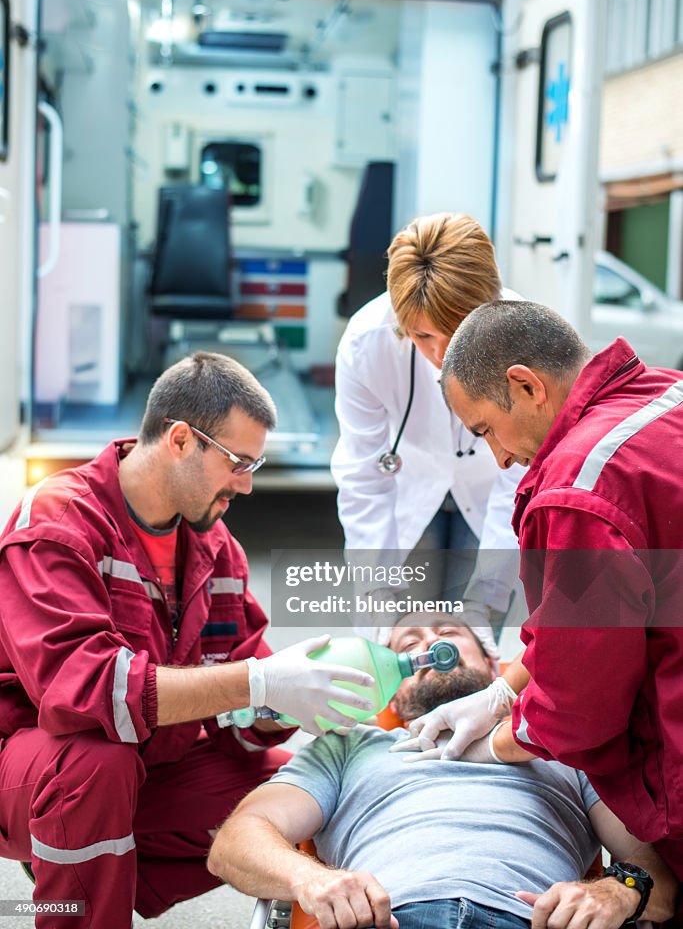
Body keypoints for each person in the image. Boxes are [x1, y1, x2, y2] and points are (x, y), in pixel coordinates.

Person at [0, 352, 374, 929]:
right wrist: (257, 680)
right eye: (238, 462)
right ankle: (75, 904)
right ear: (179, 440)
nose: (247, 485)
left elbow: (239, 723)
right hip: (38, 764)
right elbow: (86, 693)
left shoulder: (216, 549)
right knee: (97, 765)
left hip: (149, 765)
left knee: (303, 791)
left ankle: (105, 869)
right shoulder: (57, 522)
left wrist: (282, 701)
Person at [402, 300, 683, 884]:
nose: (500, 457)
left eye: (484, 430)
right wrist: (503, 694)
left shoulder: (582, 489)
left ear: (526, 386)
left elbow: (580, 706)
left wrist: (503, 741)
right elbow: (592, 620)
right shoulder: (665, 397)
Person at [207, 615, 677, 929]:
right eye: (407, 645)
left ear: (499, 670)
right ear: (388, 694)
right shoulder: (351, 747)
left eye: (449, 633)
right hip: (392, 917)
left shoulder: (562, 746)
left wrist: (620, 891)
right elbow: (235, 842)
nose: (429, 644)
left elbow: (660, 872)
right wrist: (307, 879)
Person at [331, 213, 523, 651]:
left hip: (492, 495)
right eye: (421, 336)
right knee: (400, 646)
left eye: (456, 333)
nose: (440, 354)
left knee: (470, 644)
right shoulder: (366, 343)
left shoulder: (522, 336)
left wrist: (487, 599)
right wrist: (380, 600)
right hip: (409, 490)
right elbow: (363, 478)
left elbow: (521, 478)